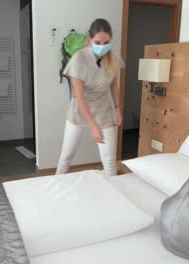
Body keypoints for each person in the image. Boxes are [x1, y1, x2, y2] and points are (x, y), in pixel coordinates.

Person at [56, 18, 124, 177]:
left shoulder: (113, 58)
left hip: (103, 108)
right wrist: (93, 126)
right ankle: (57, 183)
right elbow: (79, 96)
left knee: (109, 160)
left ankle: (113, 193)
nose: (102, 47)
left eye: (106, 42)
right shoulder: (78, 59)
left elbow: (114, 84)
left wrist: (118, 108)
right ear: (89, 39)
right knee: (67, 156)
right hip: (80, 108)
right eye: (98, 42)